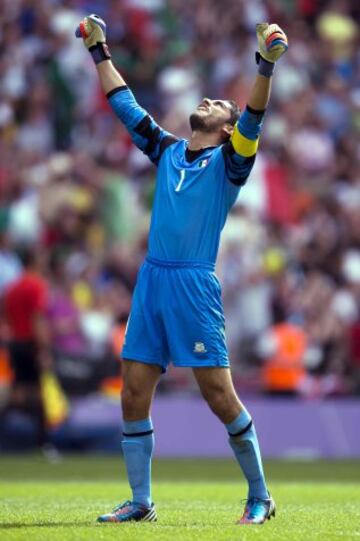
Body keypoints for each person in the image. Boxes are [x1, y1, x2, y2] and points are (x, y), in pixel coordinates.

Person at [76, 14, 288, 525]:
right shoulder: (169, 151)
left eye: (218, 103)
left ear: (227, 127)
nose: (207, 102)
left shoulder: (231, 164)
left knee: (218, 394)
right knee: (132, 389)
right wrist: (99, 51)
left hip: (194, 283)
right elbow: (125, 107)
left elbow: (255, 118)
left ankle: (260, 495)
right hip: (153, 280)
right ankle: (142, 502)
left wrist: (265, 64)